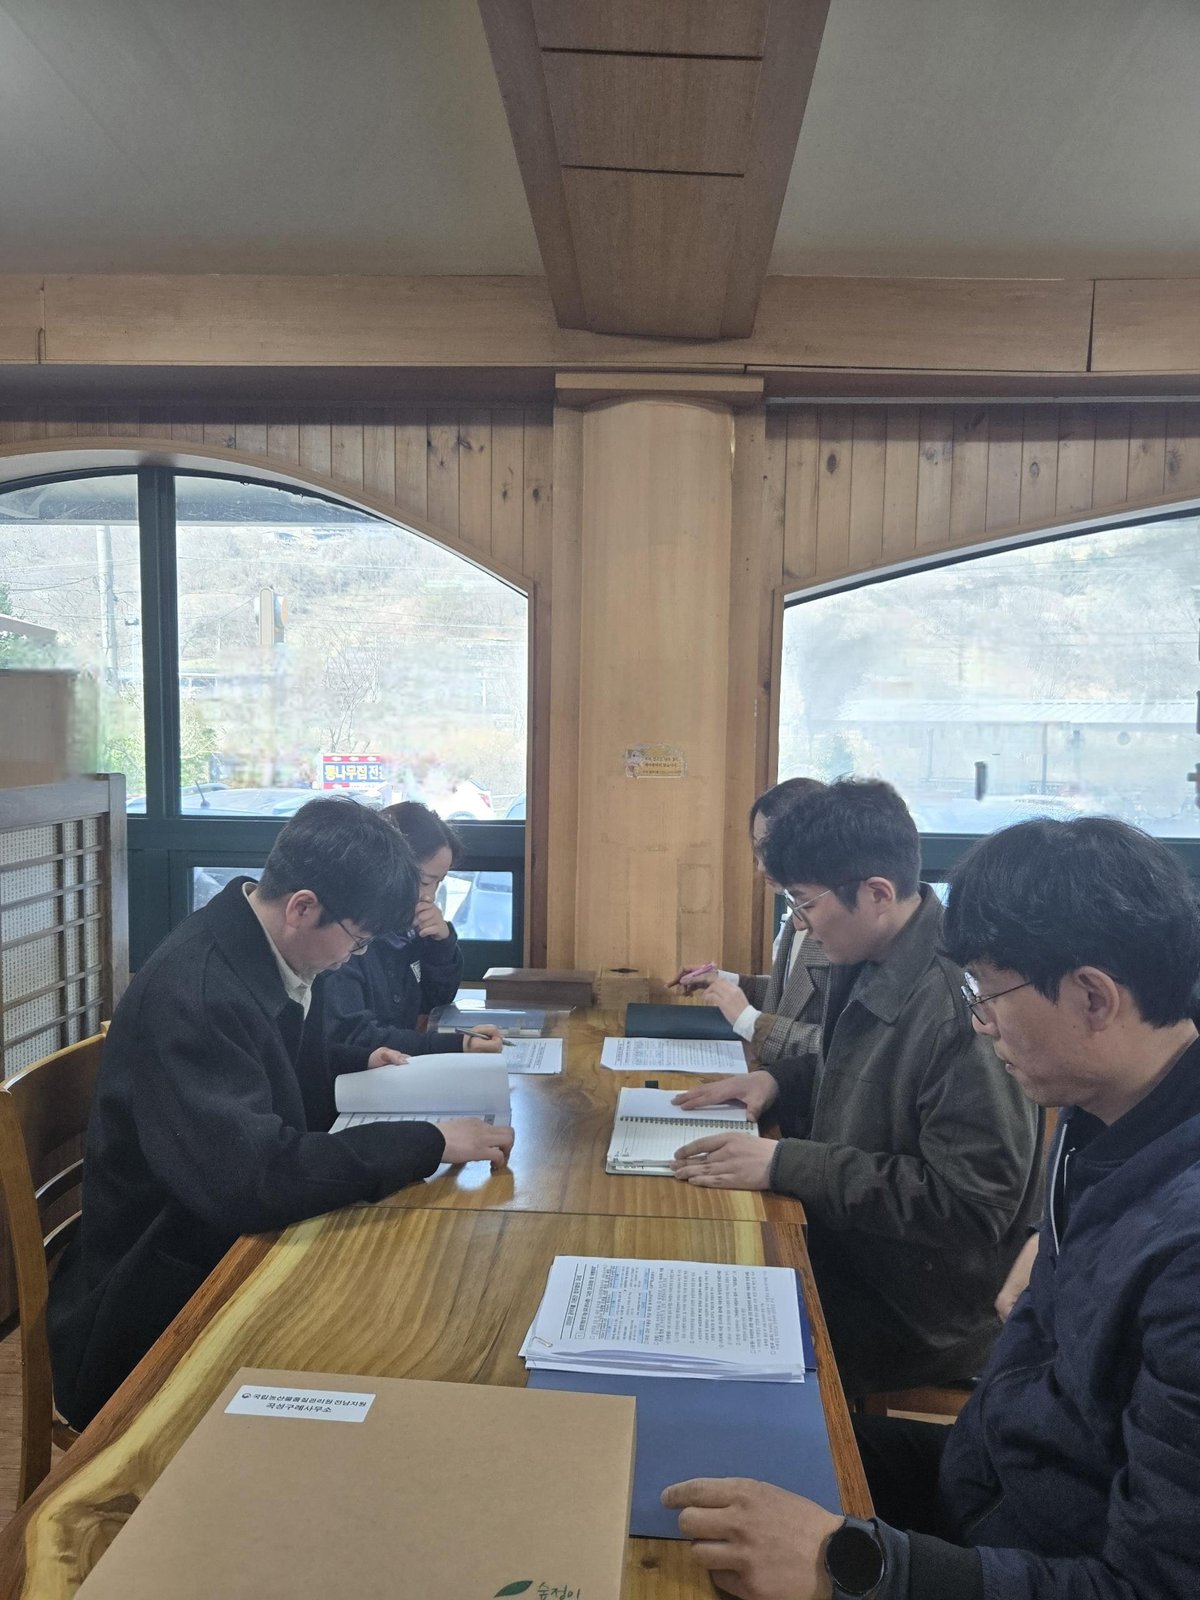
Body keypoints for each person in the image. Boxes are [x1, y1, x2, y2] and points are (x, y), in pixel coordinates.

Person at [663, 816, 1200, 1600]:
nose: (982, 1021)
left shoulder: (1183, 1254)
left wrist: (852, 1561)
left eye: (989, 994)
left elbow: (1149, 1586)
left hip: (1023, 1551)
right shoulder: (1113, 1112)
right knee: (689, 1460)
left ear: (1093, 997)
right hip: (987, 1485)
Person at [49, 798, 513, 1429]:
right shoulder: (199, 993)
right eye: (358, 939)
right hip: (156, 1302)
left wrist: (352, 1059)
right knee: (408, 1350)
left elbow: (267, 1072)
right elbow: (256, 1178)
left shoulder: (264, 947)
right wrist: (428, 1141)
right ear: (302, 906)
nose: (356, 956)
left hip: (217, 1245)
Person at [673, 779, 1043, 1397]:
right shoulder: (869, 955)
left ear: (876, 893)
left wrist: (787, 1163)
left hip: (911, 1308)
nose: (800, 923)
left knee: (703, 1330)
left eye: (804, 903)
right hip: (852, 1251)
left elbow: (971, 1206)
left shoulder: (957, 1006)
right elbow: (854, 1071)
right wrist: (776, 1080)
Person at [323, 801, 503, 1056]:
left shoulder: (404, 929)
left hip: (397, 1069)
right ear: (386, 869)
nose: (430, 896)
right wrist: (457, 1046)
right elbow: (356, 1037)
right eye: (425, 881)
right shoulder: (344, 938)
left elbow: (435, 1003)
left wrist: (440, 944)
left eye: (439, 883)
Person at [670, 777, 829, 1064]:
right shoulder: (797, 906)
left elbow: (844, 1051)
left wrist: (748, 1020)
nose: (762, 865)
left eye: (771, 849)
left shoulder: (842, 928)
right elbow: (791, 995)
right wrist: (726, 982)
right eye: (758, 849)